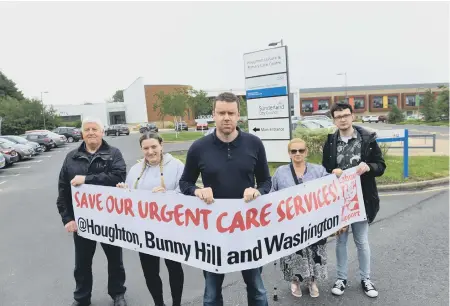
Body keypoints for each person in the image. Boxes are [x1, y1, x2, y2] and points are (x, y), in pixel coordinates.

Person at [179, 92, 272, 306]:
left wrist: (258, 191)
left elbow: (266, 181)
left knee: (257, 288)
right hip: (213, 231)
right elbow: (185, 183)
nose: (226, 117)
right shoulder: (198, 148)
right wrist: (197, 191)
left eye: (231, 113)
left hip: (248, 228)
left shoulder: (254, 144)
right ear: (213, 115)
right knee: (211, 293)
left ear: (239, 115)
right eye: (221, 113)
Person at [56, 117, 128, 306]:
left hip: (109, 220)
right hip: (82, 222)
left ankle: (118, 294)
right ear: (82, 134)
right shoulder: (71, 157)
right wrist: (67, 219)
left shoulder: (113, 154)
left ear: (102, 132)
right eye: (87, 129)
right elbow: (63, 189)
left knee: (115, 261)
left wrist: (86, 179)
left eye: (95, 129)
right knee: (82, 264)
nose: (91, 132)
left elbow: (118, 176)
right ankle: (81, 298)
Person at [322, 102, 386, 298]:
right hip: (339, 201)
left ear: (352, 116)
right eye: (338, 116)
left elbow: (381, 165)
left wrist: (369, 167)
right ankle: (341, 278)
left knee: (361, 241)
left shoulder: (367, 139)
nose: (342, 119)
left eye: (345, 115)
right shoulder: (330, 141)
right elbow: (325, 169)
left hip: (362, 199)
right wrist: (332, 172)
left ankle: (366, 279)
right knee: (340, 241)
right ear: (334, 119)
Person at [116, 132, 185, 306]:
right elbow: (129, 197)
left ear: (161, 146)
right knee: (150, 271)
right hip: (145, 232)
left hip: (171, 230)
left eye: (154, 146)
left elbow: (185, 191)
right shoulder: (135, 170)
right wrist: (123, 190)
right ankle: (158, 303)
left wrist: (168, 194)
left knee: (174, 268)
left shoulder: (176, 166)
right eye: (146, 148)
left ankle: (177, 303)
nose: (150, 151)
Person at [271, 138, 329, 298]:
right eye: (294, 151)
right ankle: (295, 281)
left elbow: (331, 190)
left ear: (306, 152)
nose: (297, 154)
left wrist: (338, 175)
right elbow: (271, 194)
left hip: (314, 222)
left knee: (313, 251)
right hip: (290, 223)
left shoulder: (319, 171)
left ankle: (312, 280)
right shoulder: (280, 172)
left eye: (301, 150)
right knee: (294, 253)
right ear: (289, 153)